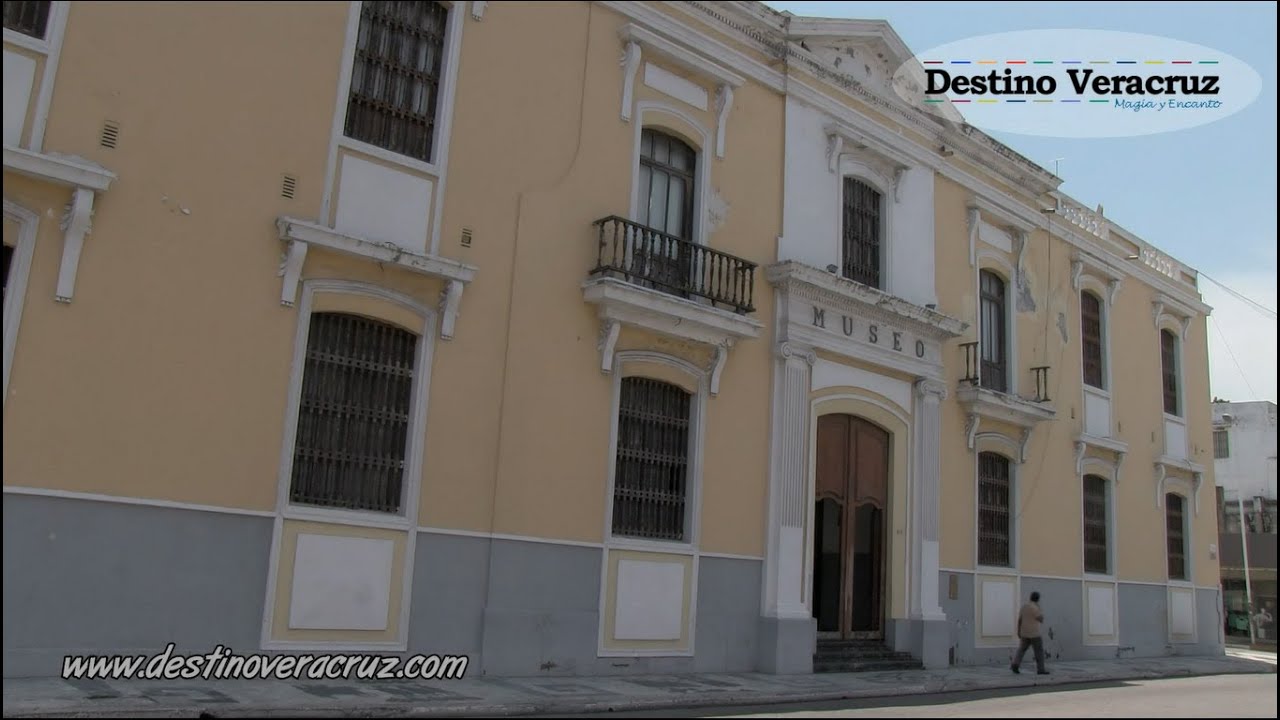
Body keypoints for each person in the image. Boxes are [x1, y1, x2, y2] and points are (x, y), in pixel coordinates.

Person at [1011, 591, 1049, 675]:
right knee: (1039, 652)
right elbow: (1041, 619)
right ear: (1038, 599)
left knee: (1021, 650)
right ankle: (1040, 669)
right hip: (1035, 633)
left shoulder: (1024, 606)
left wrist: (1018, 631)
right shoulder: (1035, 607)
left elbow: (1020, 620)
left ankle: (1015, 664)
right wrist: (1039, 609)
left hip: (1024, 632)